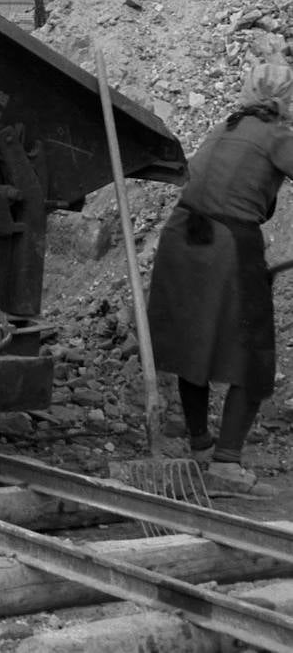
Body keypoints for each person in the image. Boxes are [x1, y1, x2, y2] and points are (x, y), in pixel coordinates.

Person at [147, 60, 293, 496]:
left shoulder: (225, 127)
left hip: (181, 236)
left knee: (197, 342)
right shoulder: (277, 135)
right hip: (226, 242)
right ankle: (225, 465)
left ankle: (201, 446)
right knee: (253, 351)